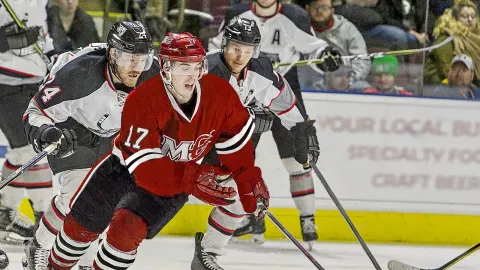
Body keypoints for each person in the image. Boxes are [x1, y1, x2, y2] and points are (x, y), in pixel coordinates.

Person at [44, 32, 270, 270]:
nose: (192, 75)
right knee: (79, 230)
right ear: (165, 67)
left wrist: (249, 178)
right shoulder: (144, 100)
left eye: (197, 66)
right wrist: (192, 179)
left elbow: (235, 146)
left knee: (126, 232)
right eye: (183, 67)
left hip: (170, 188)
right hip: (122, 171)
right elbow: (147, 168)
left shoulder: (220, 97)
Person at [22, 21, 159, 270]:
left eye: (143, 59)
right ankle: (39, 245)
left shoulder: (154, 75)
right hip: (72, 127)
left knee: (103, 199)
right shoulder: (79, 74)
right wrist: (47, 132)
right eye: (130, 58)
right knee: (76, 194)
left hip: (112, 134)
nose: (137, 67)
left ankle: (85, 262)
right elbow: (35, 111)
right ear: (113, 53)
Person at [191, 17, 321, 270]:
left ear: (256, 51)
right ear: (224, 45)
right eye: (235, 49)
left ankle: (206, 254)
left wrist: (301, 131)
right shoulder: (205, 70)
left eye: (247, 50)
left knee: (238, 201)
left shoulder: (260, 71)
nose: (240, 56)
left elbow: (284, 102)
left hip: (216, 151)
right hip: (185, 146)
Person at [208, 0, 341, 243]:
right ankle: (252, 219)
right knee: (240, 157)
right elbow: (216, 47)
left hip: (281, 85)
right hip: (245, 87)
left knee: (297, 158)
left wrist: (325, 56)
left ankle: (307, 218)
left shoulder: (294, 15)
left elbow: (312, 47)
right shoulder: (237, 14)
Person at [0, 0, 55, 246]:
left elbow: (42, 31)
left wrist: (54, 57)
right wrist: (5, 41)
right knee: (30, 151)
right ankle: (42, 221)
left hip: (37, 81)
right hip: (5, 84)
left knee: (21, 153)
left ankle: (4, 217)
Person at [424, 0, 480, 84]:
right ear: (455, 18)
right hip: (440, 86)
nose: (470, 19)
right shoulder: (447, 39)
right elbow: (447, 71)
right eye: (465, 16)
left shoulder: (476, 40)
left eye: (473, 16)